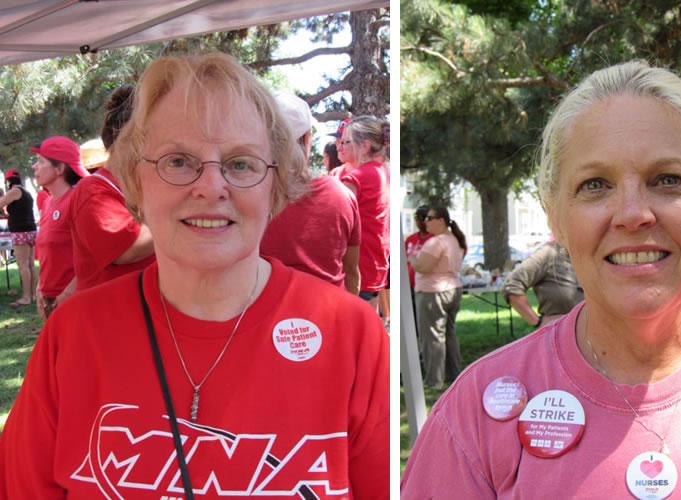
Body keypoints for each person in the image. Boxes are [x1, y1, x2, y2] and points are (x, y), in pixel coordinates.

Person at [401, 60, 681, 497]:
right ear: (556, 214)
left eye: (668, 180)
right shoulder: (475, 414)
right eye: (595, 185)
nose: (633, 214)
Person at [0, 53, 389, 498]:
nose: (210, 187)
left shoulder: (353, 337)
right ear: (136, 181)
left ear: (276, 187)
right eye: (178, 161)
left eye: (241, 163)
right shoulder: (71, 338)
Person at [260, 91, 361, 293]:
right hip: (330, 314)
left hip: (267, 317)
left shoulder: (249, 194)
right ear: (307, 138)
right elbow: (351, 271)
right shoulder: (342, 195)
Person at [68, 84, 156, 293]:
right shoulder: (93, 190)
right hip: (113, 316)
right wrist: (180, 216)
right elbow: (128, 250)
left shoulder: (141, 185)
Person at [30, 136, 87, 319]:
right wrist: (40, 288)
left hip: (73, 301)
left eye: (40, 161)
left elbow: (93, 257)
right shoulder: (47, 203)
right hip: (50, 299)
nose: (34, 167)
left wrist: (67, 294)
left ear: (60, 168)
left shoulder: (78, 201)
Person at [411, 205, 466, 388]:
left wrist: (412, 260)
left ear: (440, 220)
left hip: (433, 291)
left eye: (429, 218)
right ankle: (453, 373)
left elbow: (423, 267)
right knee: (449, 333)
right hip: (452, 288)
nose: (425, 221)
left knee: (432, 336)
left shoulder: (436, 242)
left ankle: (434, 380)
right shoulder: (454, 239)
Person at [338, 115, 389, 312]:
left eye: (346, 141)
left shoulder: (355, 178)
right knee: (371, 326)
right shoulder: (383, 172)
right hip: (375, 265)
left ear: (364, 146)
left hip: (356, 269)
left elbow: (337, 221)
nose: (341, 147)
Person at [501, 240, 583, 327]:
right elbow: (512, 285)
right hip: (558, 334)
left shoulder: (590, 255)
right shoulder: (550, 253)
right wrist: (537, 321)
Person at [0, 169, 37, 307]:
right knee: (30, 264)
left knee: (23, 265)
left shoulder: (14, 192)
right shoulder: (26, 192)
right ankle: (33, 294)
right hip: (30, 229)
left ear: (8, 181)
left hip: (20, 231)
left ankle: (26, 297)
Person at [405, 205, 433, 294]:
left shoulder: (435, 239)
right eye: (416, 218)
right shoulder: (410, 239)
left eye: (421, 218)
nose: (417, 221)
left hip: (426, 287)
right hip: (409, 286)